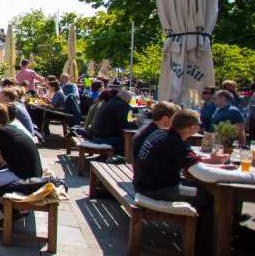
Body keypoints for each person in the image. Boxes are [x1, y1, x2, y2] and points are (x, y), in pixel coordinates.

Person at [132, 109, 255, 248]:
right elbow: (206, 175)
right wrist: (250, 177)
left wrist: (213, 164)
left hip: (145, 184)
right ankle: (206, 245)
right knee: (210, 198)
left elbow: (190, 163)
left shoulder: (161, 133)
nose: (200, 127)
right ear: (191, 127)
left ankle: (228, 231)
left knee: (202, 188)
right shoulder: (176, 143)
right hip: (157, 190)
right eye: (199, 124)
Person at [0, 102, 42, 230]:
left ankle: (0, 220)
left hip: (24, 178)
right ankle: (9, 212)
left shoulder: (2, 131)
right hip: (31, 173)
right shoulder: (11, 128)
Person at [87, 90, 134, 155]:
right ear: (126, 99)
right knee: (130, 140)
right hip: (104, 139)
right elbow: (128, 125)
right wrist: (137, 122)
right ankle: (126, 160)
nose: (129, 103)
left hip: (96, 135)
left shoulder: (109, 102)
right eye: (129, 101)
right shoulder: (121, 105)